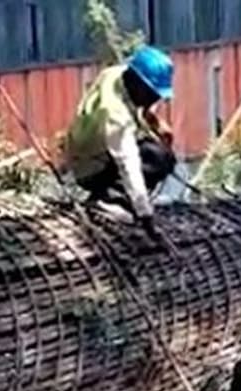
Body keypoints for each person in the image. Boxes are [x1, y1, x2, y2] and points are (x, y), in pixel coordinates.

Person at [64, 45, 177, 247]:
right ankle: (105, 198)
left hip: (90, 149)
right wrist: (147, 219)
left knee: (158, 151)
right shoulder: (115, 115)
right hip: (90, 168)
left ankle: (121, 198)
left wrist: (154, 121)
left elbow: (136, 107)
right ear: (139, 84)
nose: (156, 99)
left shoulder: (115, 74)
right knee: (159, 159)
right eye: (152, 94)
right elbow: (129, 164)